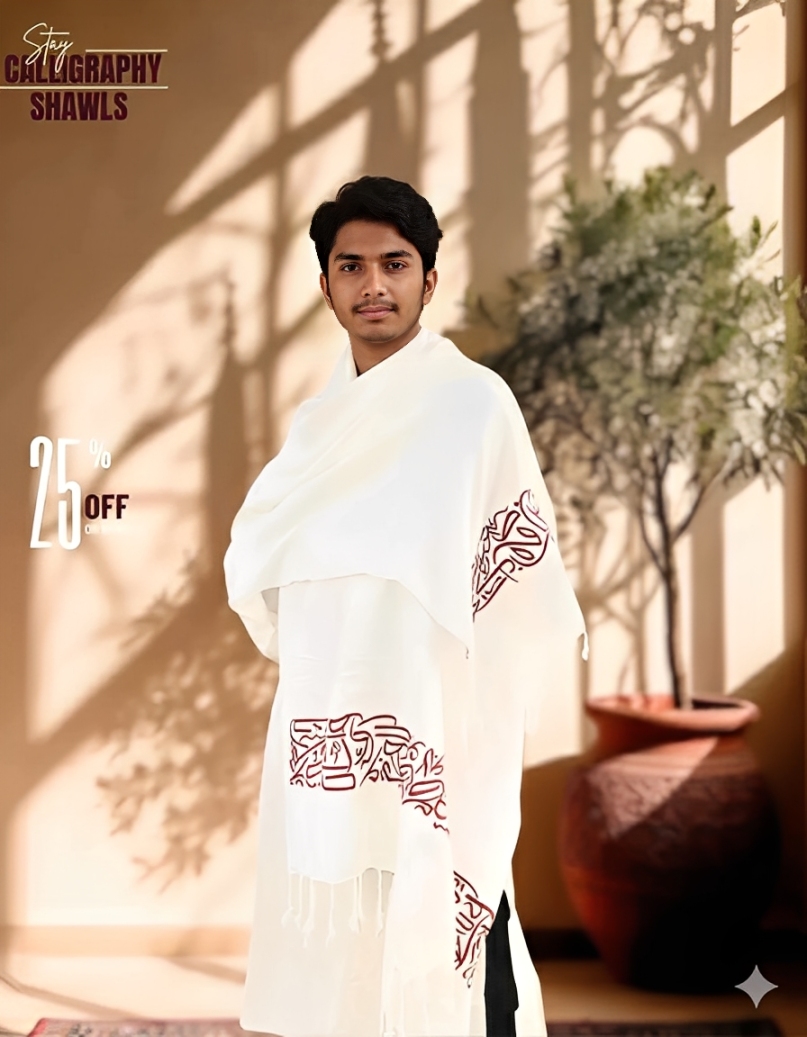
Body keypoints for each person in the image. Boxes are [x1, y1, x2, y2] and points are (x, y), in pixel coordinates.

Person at [223, 176, 587, 1037]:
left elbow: (517, 569)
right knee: (344, 950)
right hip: (331, 714)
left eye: (395, 263)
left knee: (455, 934)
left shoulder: (472, 406)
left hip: (441, 717)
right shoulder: (320, 427)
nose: (373, 284)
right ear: (325, 286)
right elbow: (262, 556)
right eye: (351, 266)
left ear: (429, 278)